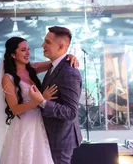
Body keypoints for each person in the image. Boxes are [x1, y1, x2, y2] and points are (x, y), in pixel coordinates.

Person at [0, 36, 78, 164]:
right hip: (24, 125)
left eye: (28, 49)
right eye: (23, 50)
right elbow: (15, 109)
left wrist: (70, 57)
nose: (28, 53)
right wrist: (39, 100)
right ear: (13, 54)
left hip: (40, 122)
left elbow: (57, 62)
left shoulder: (33, 69)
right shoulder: (8, 79)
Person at [29, 26, 83, 164]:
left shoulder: (69, 72)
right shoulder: (54, 66)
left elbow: (70, 112)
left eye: (47, 42)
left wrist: (42, 102)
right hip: (47, 135)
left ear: (61, 46)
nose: (43, 45)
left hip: (60, 139)